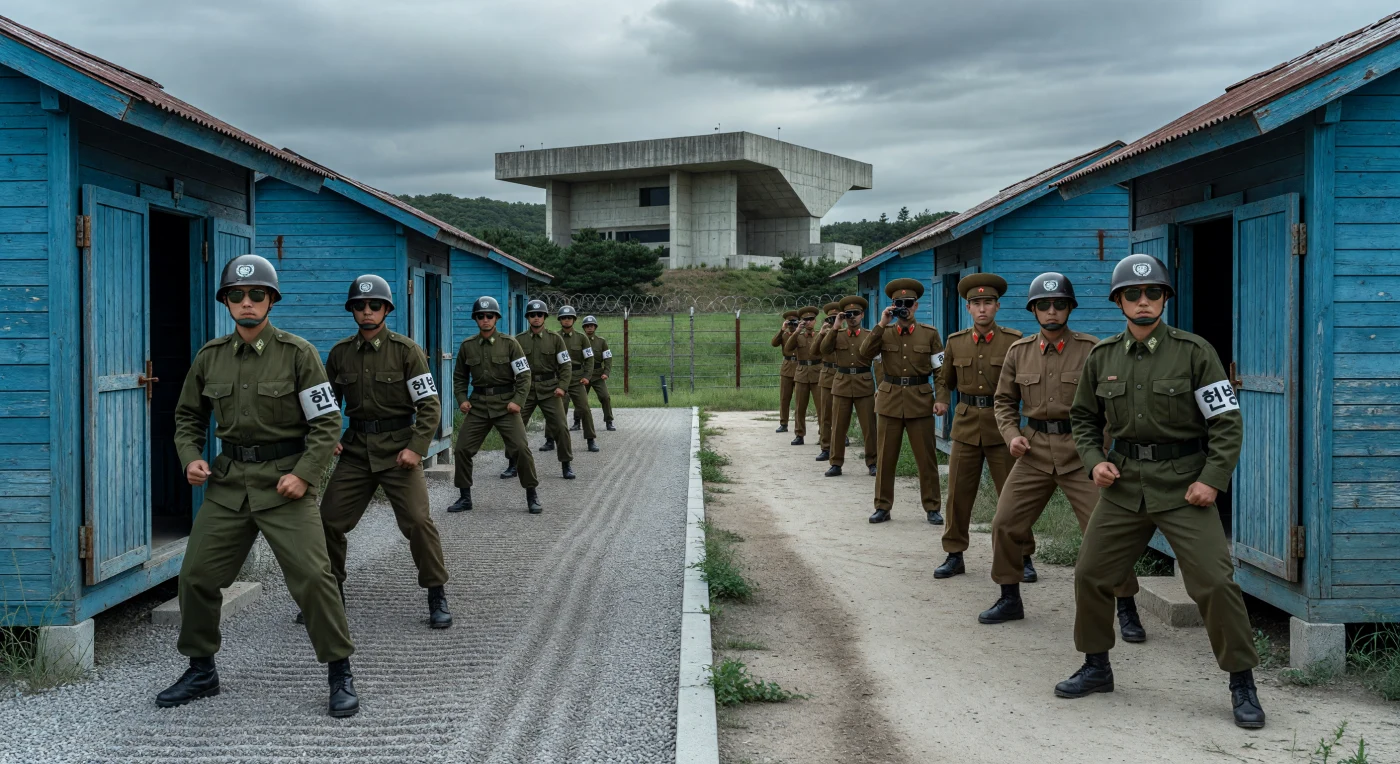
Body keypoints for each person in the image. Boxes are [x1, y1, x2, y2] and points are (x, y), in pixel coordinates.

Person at [1059, 253, 1262, 729]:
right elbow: (1083, 418)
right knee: (1090, 574)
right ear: (1119, 302)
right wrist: (1094, 461)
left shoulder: (1195, 352)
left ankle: (1242, 683)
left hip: (1184, 486)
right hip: (1124, 485)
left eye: (1153, 292)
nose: (1143, 301)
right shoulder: (1102, 356)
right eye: (1132, 294)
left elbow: (1226, 422)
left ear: (1165, 298)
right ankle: (1096, 666)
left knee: (1215, 582)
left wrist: (1212, 479)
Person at [163, 254, 357, 717]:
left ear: (271, 300)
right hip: (229, 484)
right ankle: (201, 669)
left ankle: (340, 672)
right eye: (237, 295)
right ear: (226, 302)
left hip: (285, 483)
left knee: (314, 578)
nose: (246, 302)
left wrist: (304, 475)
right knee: (195, 577)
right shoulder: (210, 357)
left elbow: (327, 422)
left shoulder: (298, 354)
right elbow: (188, 417)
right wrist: (191, 458)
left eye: (256, 295)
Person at [978, 273, 1143, 644]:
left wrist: (1102, 452)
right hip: (1034, 451)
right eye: (1044, 305)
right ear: (1033, 310)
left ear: (1070, 308)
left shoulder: (1092, 350)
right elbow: (1003, 401)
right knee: (1005, 523)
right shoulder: (1018, 352)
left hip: (1082, 454)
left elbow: (1111, 405)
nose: (1052, 311)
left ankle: (1126, 607)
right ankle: (1009, 597)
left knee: (1106, 532)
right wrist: (1012, 435)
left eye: (1059, 304)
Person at [312, 275, 451, 631]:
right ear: (352, 311)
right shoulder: (340, 354)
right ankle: (331, 594)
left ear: (386, 309)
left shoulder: (407, 351)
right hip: (356, 451)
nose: (367, 311)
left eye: (375, 305)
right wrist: (329, 438)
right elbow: (326, 403)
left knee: (418, 522)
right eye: (360, 306)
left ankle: (436, 592)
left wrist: (417, 448)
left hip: (399, 451)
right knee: (328, 521)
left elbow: (430, 405)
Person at [933, 273, 1022, 578]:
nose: (982, 308)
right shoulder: (955, 342)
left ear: (998, 306)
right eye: (976, 303)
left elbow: (1025, 383)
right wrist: (941, 400)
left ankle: (1022, 555)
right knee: (958, 495)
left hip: (1003, 429)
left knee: (1013, 497)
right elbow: (945, 379)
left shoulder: (1014, 341)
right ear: (968, 308)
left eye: (988, 302)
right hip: (966, 426)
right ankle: (954, 554)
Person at [447, 296, 542, 514]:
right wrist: (462, 399)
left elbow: (524, 375)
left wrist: (518, 401)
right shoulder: (468, 346)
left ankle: (532, 494)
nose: (485, 319)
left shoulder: (510, 344)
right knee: (462, 450)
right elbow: (459, 377)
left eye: (489, 316)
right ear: (475, 319)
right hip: (479, 406)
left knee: (521, 449)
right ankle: (464, 497)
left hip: (506, 405)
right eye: (480, 316)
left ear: (496, 318)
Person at [859, 279, 943, 523]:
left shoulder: (930, 334)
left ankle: (932, 507)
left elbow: (940, 369)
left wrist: (942, 398)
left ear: (916, 305)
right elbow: (864, 354)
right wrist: (881, 324)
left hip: (920, 401)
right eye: (899, 303)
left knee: (926, 459)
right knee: (885, 458)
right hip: (890, 401)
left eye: (908, 303)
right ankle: (882, 506)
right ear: (892, 306)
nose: (904, 308)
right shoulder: (883, 333)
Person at [510, 299, 575, 480]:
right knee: (514, 426)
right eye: (532, 315)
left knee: (561, 426)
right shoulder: (518, 340)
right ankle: (512, 464)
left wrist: (562, 387)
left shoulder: (555, 339)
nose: (536, 318)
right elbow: (510, 367)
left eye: (539, 315)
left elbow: (566, 365)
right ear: (528, 318)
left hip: (550, 389)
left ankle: (566, 464)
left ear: (545, 317)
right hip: (526, 390)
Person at [821, 296, 877, 477]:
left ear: (862, 315)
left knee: (869, 427)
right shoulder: (837, 335)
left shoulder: (869, 335)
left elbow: (879, 362)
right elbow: (824, 350)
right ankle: (836, 463)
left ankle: (873, 462)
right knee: (838, 426)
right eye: (849, 314)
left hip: (864, 383)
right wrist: (835, 327)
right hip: (842, 383)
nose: (852, 317)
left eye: (856, 313)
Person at [556, 305, 600, 453]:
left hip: (577, 379)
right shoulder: (555, 337)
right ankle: (550, 439)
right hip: (560, 379)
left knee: (584, 408)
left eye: (569, 318)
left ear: (574, 320)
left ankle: (590, 439)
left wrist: (587, 376)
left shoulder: (582, 338)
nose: (566, 320)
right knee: (557, 410)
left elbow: (589, 359)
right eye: (563, 318)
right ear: (560, 320)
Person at [783, 306, 821, 446]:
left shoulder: (820, 335)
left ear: (815, 321)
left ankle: (823, 434)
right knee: (800, 407)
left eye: (811, 319)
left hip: (817, 372)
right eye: (805, 319)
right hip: (802, 373)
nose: (808, 322)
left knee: (821, 407)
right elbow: (787, 348)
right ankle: (799, 434)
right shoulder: (798, 336)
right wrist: (797, 331)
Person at [813, 301, 842, 462]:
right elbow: (813, 352)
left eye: (836, 317)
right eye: (830, 318)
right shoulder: (824, 333)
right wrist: (821, 333)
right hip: (827, 375)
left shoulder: (845, 333)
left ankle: (842, 438)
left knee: (842, 412)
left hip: (842, 374)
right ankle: (825, 446)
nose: (833, 321)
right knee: (825, 413)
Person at [580, 315, 616, 431]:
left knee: (605, 397)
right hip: (583, 374)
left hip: (597, 375)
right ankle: (576, 421)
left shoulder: (601, 342)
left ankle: (609, 421)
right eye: (587, 326)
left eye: (592, 325)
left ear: (595, 327)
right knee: (580, 399)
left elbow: (608, 358)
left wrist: (606, 372)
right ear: (584, 328)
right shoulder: (579, 341)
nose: (589, 328)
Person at [772, 310, 800, 433]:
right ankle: (783, 423)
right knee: (784, 397)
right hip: (787, 367)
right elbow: (774, 343)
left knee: (800, 399)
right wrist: (782, 329)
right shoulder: (784, 335)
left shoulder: (801, 334)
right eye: (790, 322)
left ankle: (799, 425)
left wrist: (799, 329)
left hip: (800, 367)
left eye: (794, 322)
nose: (792, 325)